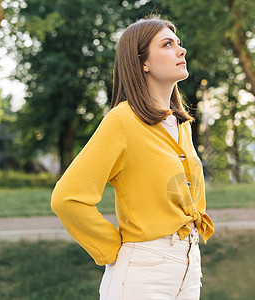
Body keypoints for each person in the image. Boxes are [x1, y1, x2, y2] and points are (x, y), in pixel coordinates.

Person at [51, 15, 214, 300]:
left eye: (179, 43)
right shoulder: (122, 121)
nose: (180, 50)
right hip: (143, 271)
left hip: (189, 264)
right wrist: (113, 248)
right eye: (167, 44)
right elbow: (68, 198)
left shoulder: (182, 124)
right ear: (143, 63)